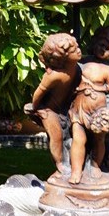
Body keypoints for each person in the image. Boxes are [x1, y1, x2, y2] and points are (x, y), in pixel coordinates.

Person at [24, 33, 82, 175]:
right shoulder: (53, 76)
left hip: (65, 108)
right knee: (56, 136)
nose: (79, 50)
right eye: (74, 50)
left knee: (73, 135)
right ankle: (60, 163)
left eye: (78, 47)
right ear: (62, 58)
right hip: (49, 110)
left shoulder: (78, 68)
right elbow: (38, 93)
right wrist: (36, 107)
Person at [68, 56, 109, 184]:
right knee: (78, 139)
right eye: (101, 43)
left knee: (99, 140)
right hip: (79, 111)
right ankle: (76, 171)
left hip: (99, 114)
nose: (103, 48)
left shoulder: (107, 70)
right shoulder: (77, 65)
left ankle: (95, 166)